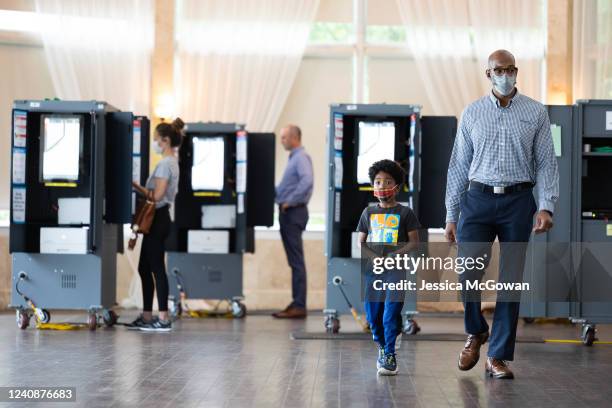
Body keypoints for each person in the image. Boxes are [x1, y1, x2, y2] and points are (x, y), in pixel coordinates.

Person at [445, 49, 559, 379]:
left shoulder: (535, 112)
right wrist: (451, 214)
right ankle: (476, 331)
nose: (505, 75)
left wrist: (546, 206)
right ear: (488, 74)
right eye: (499, 70)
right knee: (467, 273)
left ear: (517, 71)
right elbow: (458, 166)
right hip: (477, 200)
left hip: (518, 201)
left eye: (510, 69)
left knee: (510, 280)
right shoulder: (472, 113)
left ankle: (498, 355)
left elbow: (546, 162)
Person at [357, 159, 420, 376]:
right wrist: (374, 257)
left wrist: (395, 254)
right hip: (374, 272)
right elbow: (361, 242)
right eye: (377, 182)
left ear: (397, 186)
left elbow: (414, 242)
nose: (382, 186)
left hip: (396, 271)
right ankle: (382, 346)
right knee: (374, 317)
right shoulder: (368, 213)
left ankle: (390, 354)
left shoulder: (405, 214)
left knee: (390, 313)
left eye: (387, 181)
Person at [127, 118, 184, 332]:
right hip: (158, 219)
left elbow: (157, 195)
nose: (154, 143)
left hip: (158, 219)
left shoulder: (165, 164)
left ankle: (163, 317)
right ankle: (147, 316)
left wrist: (135, 186)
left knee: (157, 268)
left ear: (165, 141)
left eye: (155, 140)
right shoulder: (170, 163)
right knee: (144, 268)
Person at [272, 125, 314, 319]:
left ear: (294, 138)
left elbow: (307, 181)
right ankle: (296, 302)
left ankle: (299, 305)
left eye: (284, 138)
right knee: (294, 261)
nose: (282, 141)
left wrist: (290, 202)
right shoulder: (294, 158)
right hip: (289, 212)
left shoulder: (301, 158)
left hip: (293, 213)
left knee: (296, 261)